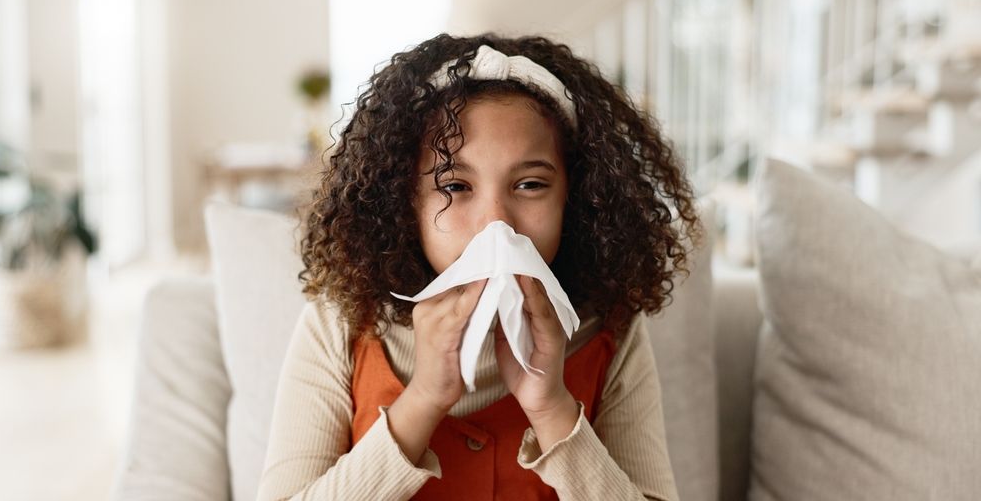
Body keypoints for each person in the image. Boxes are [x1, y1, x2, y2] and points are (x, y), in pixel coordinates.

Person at [257, 33, 705, 501]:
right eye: (454, 186)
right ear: (404, 201)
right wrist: (424, 399)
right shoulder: (339, 326)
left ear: (575, 198)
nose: (496, 225)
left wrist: (551, 409)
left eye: (530, 185)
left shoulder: (612, 331)